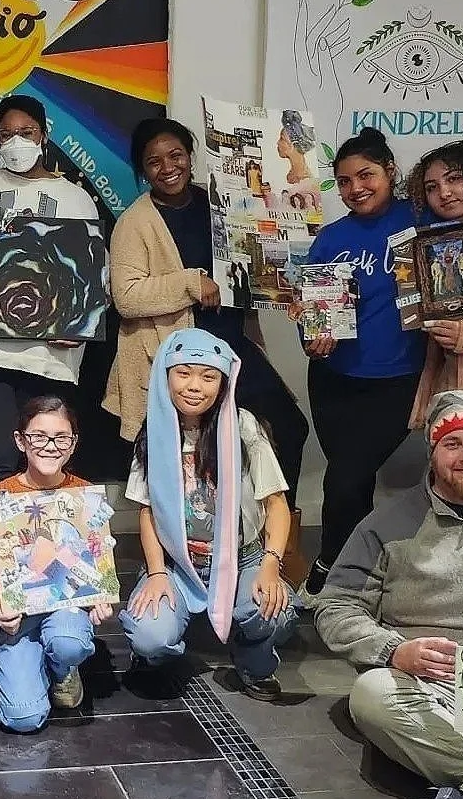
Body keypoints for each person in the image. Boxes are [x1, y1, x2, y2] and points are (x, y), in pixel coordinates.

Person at [102, 117, 309, 575]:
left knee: (288, 428)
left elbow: (248, 258)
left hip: (230, 343)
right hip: (172, 356)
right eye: (153, 161)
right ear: (141, 170)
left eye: (176, 155)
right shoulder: (135, 222)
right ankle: (182, 557)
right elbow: (128, 297)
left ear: (191, 155)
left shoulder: (221, 202)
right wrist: (191, 282)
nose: (167, 167)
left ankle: (272, 543)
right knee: (175, 458)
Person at [315, 390, 463, 799]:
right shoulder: (388, 523)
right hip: (432, 689)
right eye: (452, 445)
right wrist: (393, 650)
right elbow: (335, 606)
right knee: (371, 694)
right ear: (432, 453)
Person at [0, 94, 100, 526]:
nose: (16, 141)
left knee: (46, 459)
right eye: (6, 134)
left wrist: (80, 324)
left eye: (26, 132)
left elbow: (90, 278)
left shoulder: (76, 199)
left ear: (43, 136)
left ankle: (45, 571)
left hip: (51, 358)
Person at [119, 330, 298, 702]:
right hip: (177, 563)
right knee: (150, 633)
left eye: (208, 376)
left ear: (223, 381)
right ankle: (155, 657)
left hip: (242, 557)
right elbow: (147, 511)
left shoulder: (243, 426)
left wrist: (270, 564)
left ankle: (254, 661)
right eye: (183, 373)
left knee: (273, 611)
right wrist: (155, 573)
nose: (195, 386)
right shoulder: (153, 430)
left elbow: (276, 504)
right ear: (165, 376)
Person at [298, 127, 425, 607]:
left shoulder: (421, 218)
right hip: (333, 381)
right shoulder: (331, 238)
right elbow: (313, 313)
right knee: (348, 478)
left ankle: (330, 571)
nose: (356, 188)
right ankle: (361, 577)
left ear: (390, 172)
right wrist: (312, 339)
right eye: (345, 181)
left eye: (366, 175)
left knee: (346, 477)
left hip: (396, 381)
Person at [0, 396, 115, 733]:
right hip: (18, 614)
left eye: (61, 437)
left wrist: (101, 596)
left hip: (65, 608)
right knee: (22, 718)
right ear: (21, 440)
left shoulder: (85, 496)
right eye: (38, 436)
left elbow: (100, 554)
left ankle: (63, 667)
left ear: (73, 443)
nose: (50, 446)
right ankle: (28, 663)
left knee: (69, 642)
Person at [406, 141, 463, 428]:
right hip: (454, 394)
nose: (443, 193)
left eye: (454, 179)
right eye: (431, 187)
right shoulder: (432, 243)